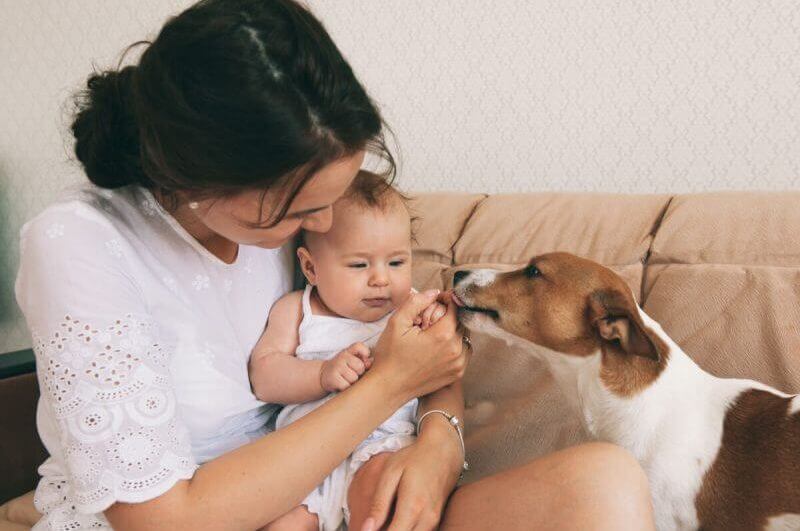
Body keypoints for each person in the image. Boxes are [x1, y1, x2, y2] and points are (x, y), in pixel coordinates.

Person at [15, 0, 656, 529]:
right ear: (197, 179)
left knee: (604, 485)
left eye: (332, 202)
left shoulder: (285, 232)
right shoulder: (80, 243)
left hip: (339, 493)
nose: (323, 229)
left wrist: (438, 440)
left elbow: (405, 342)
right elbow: (163, 522)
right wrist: (387, 385)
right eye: (302, 211)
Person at [249, 172, 449, 530]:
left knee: (381, 504)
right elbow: (264, 376)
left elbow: (442, 363)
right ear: (311, 267)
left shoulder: (410, 308)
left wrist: (436, 320)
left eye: (397, 262)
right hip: (302, 460)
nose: (381, 279)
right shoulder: (297, 309)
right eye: (360, 264)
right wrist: (321, 374)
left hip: (382, 445)